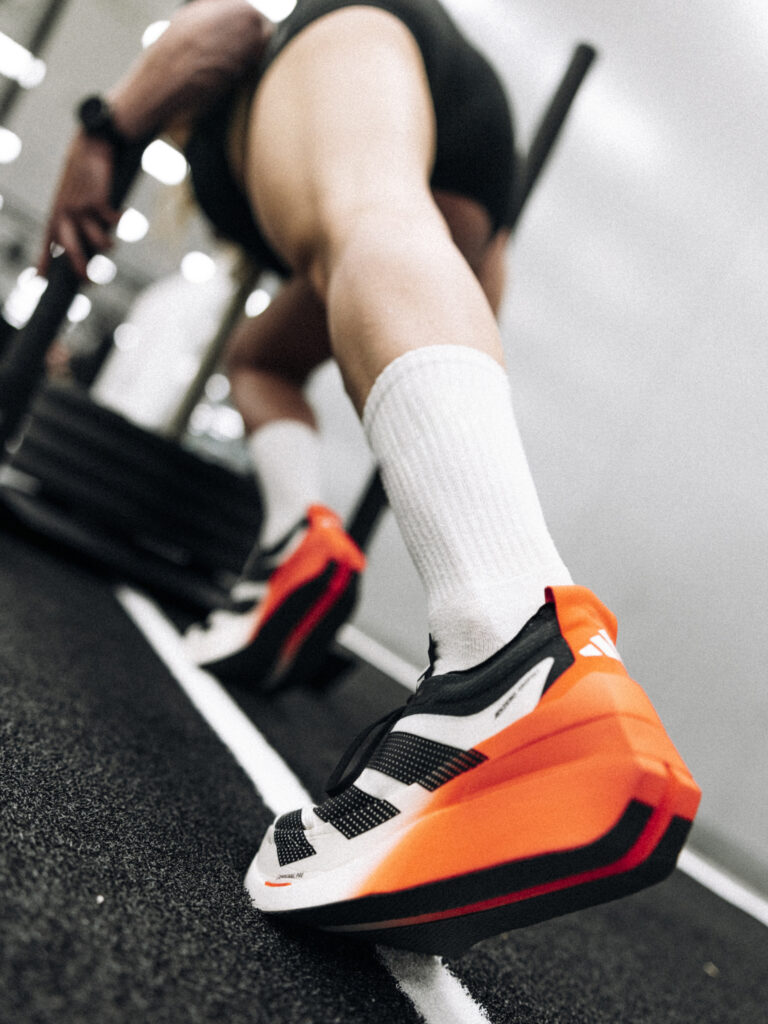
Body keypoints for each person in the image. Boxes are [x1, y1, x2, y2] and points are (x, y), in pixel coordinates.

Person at [39, 0, 700, 957]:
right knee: (262, 358)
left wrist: (103, 133)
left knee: (370, 217)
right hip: (472, 156)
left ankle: (509, 654)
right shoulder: (297, 143)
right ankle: (298, 549)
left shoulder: (247, 94)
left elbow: (226, 25)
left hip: (370, 37)